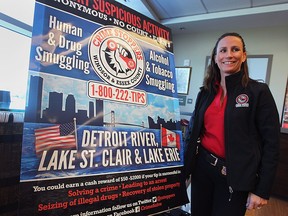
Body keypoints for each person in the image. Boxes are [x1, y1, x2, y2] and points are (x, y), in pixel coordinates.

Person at [184, 32, 280, 216]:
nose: (229, 55)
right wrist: (185, 170)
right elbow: (192, 132)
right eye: (223, 50)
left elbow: (272, 145)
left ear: (243, 56)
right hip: (202, 170)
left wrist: (262, 189)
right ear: (215, 57)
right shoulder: (205, 92)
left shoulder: (258, 92)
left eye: (235, 49)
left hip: (235, 176)